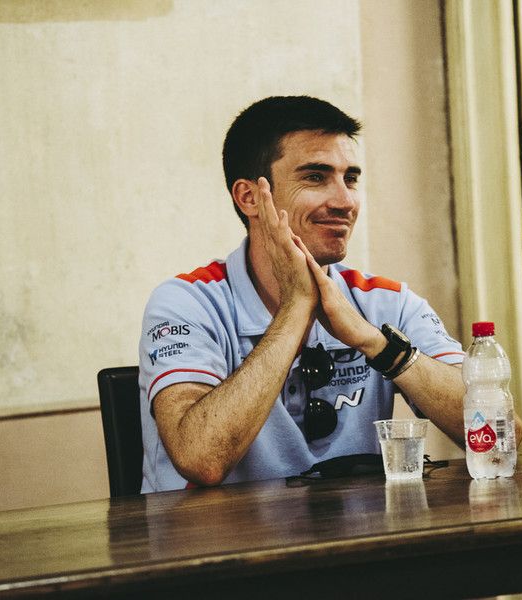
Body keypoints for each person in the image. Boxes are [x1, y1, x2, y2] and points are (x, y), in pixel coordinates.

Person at [139, 96, 495, 492]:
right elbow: (201, 459)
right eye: (315, 177)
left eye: (351, 178)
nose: (345, 201)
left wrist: (376, 344)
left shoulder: (385, 302)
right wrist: (296, 309)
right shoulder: (186, 303)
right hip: (218, 532)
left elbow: (498, 438)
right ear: (249, 197)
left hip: (355, 530)